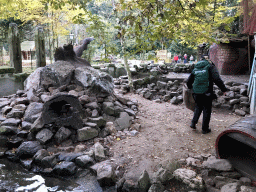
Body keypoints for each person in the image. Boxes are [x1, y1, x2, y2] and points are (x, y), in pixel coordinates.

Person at [186, 55, 228, 134]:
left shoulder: (196, 67)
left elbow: (189, 81)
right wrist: (223, 89)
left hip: (196, 92)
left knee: (198, 107)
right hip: (207, 92)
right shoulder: (210, 66)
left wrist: (190, 88)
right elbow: (216, 78)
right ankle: (205, 129)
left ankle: (193, 123)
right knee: (207, 109)